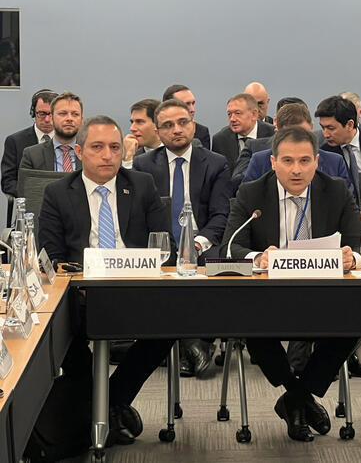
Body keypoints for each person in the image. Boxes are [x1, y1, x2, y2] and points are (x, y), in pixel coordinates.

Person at [220, 125, 361, 443]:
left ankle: (294, 399)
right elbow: (230, 247)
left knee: (353, 324)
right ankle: (300, 397)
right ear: (273, 162)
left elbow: (358, 244)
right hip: (268, 299)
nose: (296, 170)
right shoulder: (252, 193)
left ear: (316, 162)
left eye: (304, 161)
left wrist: (352, 257)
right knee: (254, 329)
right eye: (287, 161)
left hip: (324, 296)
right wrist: (258, 258)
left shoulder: (336, 190)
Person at [38, 115, 173, 447]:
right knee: (61, 333)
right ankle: (103, 410)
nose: (108, 155)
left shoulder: (142, 185)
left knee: (174, 322)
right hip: (82, 296)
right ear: (79, 152)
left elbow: (164, 245)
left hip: (138, 291)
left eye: (114, 147)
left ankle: (109, 402)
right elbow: (51, 257)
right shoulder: (58, 192)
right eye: (97, 147)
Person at [132, 99, 231, 377]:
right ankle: (194, 345)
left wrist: (195, 245)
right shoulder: (143, 165)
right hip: (163, 248)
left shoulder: (216, 163)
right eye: (168, 125)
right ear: (158, 132)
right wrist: (169, 249)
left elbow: (221, 215)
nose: (176, 129)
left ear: (193, 126)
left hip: (203, 246)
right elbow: (140, 218)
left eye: (182, 122)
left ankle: (188, 346)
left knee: (214, 275)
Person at [238, 102, 349, 189]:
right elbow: (246, 200)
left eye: (303, 133)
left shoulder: (335, 162)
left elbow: (347, 203)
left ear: (311, 127)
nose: (297, 141)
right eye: (289, 136)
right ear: (277, 132)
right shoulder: (260, 162)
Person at [2, 88, 57, 196]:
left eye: (52, 114)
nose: (47, 119)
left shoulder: (69, 141)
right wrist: (33, 194)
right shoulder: (15, 141)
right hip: (29, 200)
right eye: (42, 114)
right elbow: (8, 182)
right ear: (33, 113)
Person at [20, 91, 83, 174]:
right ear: (52, 118)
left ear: (81, 120)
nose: (69, 118)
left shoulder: (92, 153)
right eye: (63, 113)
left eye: (75, 114)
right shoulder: (32, 155)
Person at [212, 93, 275, 176]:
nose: (232, 119)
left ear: (254, 114)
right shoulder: (220, 139)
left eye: (238, 113)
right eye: (229, 114)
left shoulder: (272, 134)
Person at [162, 84, 211, 149]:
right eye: (187, 104)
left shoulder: (201, 132)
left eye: (193, 103)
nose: (192, 110)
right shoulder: (154, 132)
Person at [121, 98, 162, 168]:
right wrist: (128, 158)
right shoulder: (128, 157)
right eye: (132, 122)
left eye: (139, 122)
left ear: (157, 123)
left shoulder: (176, 152)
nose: (132, 128)